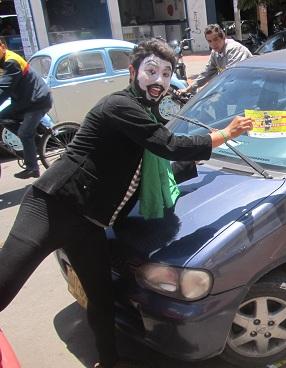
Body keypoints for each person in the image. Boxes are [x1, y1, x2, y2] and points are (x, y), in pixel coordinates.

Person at [0, 39, 253, 368]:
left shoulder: (146, 110)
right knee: (4, 286)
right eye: (151, 71)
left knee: (101, 299)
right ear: (133, 72)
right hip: (51, 206)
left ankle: (109, 361)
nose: (159, 80)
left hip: (88, 224)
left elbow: (158, 153)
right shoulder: (120, 105)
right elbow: (169, 145)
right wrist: (224, 134)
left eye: (166, 73)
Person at [0, 39, 52, 179]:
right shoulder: (3, 60)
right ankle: (33, 138)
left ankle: (32, 168)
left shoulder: (11, 62)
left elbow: (4, 88)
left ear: (3, 46)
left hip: (37, 101)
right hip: (24, 102)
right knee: (3, 117)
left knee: (24, 133)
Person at [182, 24, 251, 94]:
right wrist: (189, 89)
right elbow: (207, 73)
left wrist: (212, 89)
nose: (213, 44)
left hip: (251, 88)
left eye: (216, 39)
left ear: (223, 37)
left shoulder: (234, 49)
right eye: (209, 41)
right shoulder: (215, 52)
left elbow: (230, 74)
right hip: (236, 88)